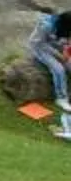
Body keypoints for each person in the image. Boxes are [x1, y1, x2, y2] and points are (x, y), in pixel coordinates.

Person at [33, 7, 71, 139]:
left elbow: (65, 41)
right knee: (59, 69)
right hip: (40, 47)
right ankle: (61, 98)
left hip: (56, 45)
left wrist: (66, 48)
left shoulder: (64, 26)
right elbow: (38, 42)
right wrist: (59, 56)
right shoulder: (46, 25)